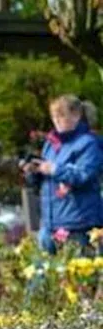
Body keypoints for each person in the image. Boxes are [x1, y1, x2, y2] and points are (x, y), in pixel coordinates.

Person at [22, 94, 103, 254]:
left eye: (61, 116)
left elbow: (83, 175)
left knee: (79, 275)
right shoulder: (51, 144)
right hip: (50, 223)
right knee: (46, 275)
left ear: (76, 116)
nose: (56, 121)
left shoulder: (89, 143)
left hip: (78, 224)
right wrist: (33, 172)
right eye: (54, 117)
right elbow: (43, 182)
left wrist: (54, 169)